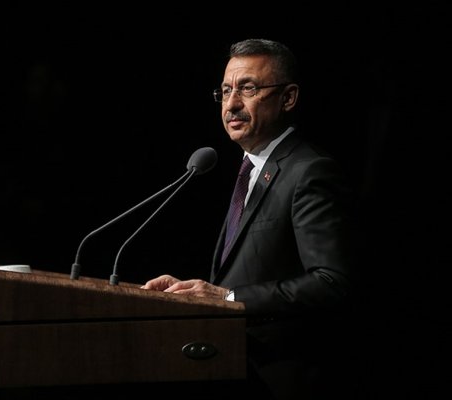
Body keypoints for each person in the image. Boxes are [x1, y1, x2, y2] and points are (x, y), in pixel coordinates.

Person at [141, 38, 360, 399]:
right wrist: (197, 297)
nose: (231, 104)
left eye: (248, 88)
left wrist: (228, 297)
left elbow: (332, 282)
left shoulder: (310, 171)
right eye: (226, 91)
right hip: (237, 370)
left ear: (288, 98)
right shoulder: (252, 168)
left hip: (285, 380)